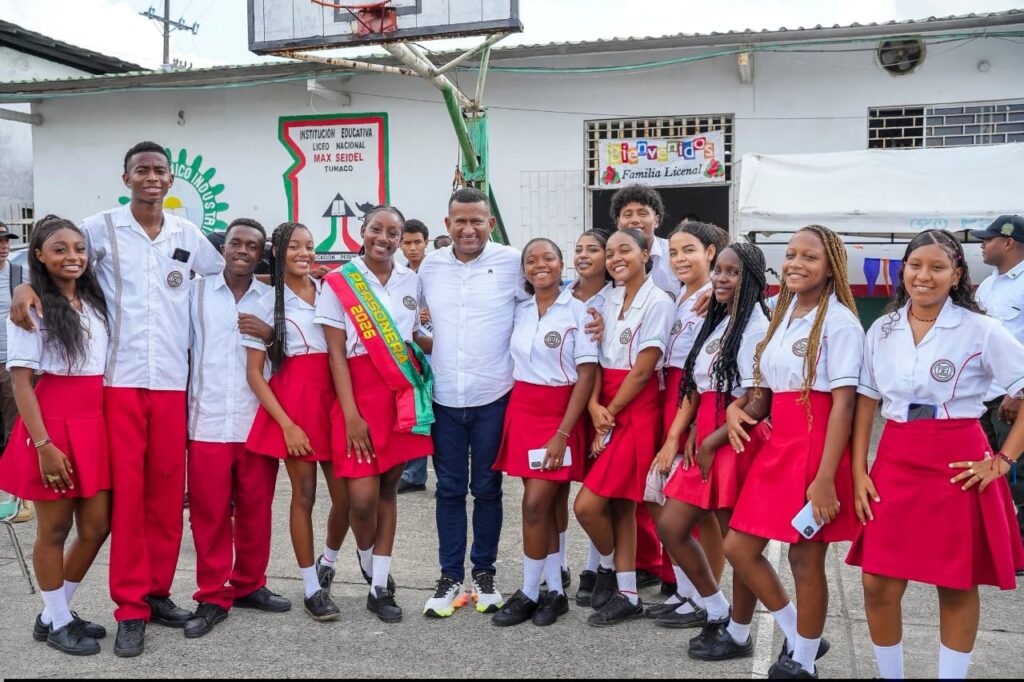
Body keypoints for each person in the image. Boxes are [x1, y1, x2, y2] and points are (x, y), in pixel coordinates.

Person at [11, 142, 225, 657]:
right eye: (142, 171)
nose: (152, 178)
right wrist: (20, 286)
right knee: (127, 500)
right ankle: (129, 608)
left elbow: (224, 273)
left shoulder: (186, 234)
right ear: (126, 176)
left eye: (160, 171)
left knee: (167, 497)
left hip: (173, 381)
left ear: (171, 180)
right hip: (118, 383)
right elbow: (42, 250)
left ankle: (155, 593)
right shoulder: (100, 228)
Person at [847, 229, 1024, 680]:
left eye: (937, 267)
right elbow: (867, 397)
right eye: (915, 265)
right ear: (903, 270)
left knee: (955, 581)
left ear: (956, 274)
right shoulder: (882, 329)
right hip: (895, 458)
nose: (924, 276)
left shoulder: (981, 329)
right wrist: (857, 468)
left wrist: (1003, 460)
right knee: (877, 581)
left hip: (957, 462)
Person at [723, 225, 863, 677]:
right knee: (739, 547)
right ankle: (802, 633)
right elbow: (768, 391)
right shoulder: (783, 314)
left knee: (805, 559)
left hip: (815, 449)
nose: (796, 265)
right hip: (778, 445)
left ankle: (802, 662)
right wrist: (735, 410)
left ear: (830, 269)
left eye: (810, 257)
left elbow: (843, 404)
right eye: (790, 255)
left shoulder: (839, 321)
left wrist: (825, 478)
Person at [654, 242, 771, 660]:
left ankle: (738, 633)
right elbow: (701, 385)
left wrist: (711, 439)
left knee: (734, 544)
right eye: (718, 270)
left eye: (732, 272)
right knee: (671, 525)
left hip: (733, 441)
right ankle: (716, 609)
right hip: (706, 432)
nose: (721, 278)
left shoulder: (756, 326)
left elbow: (760, 399)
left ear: (752, 279)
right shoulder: (720, 318)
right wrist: (689, 434)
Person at [316, 206, 433, 624]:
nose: (384, 238)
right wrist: (350, 413)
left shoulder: (411, 280)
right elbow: (335, 353)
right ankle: (366, 563)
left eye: (393, 232)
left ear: (402, 237)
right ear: (361, 232)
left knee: (387, 491)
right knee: (360, 500)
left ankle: (378, 585)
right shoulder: (339, 281)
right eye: (376, 230)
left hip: (399, 396)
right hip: (358, 396)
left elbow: (415, 336)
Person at [0, 216, 111, 656]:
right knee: (54, 528)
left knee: (97, 526)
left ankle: (53, 613)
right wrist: (44, 445)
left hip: (95, 421)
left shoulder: (95, 300)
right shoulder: (30, 308)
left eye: (79, 248)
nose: (73, 257)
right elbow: (21, 382)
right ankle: (59, 619)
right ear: (40, 256)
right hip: (54, 422)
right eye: (60, 249)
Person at [417, 188, 526, 617]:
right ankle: (449, 577)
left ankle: (484, 573)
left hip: (492, 396)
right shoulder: (430, 266)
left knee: (487, 489)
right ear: (446, 225)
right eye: (459, 221)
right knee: (447, 490)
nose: (468, 229)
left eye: (476, 221)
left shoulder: (511, 262)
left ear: (490, 223)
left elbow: (546, 301)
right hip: (443, 398)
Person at [183, 218, 290, 640]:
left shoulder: (272, 299)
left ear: (261, 252)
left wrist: (269, 336)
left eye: (252, 245)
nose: (242, 250)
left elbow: (292, 355)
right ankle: (212, 592)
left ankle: (249, 583)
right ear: (223, 247)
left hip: (255, 421)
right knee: (208, 513)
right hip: (206, 419)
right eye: (235, 243)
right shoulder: (194, 292)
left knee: (255, 509)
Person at [242, 222, 349, 622]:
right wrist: (287, 424)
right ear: (278, 252)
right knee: (303, 496)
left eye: (309, 246)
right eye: (294, 247)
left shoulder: (332, 292)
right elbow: (256, 374)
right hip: (295, 404)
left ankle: (329, 560)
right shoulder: (266, 301)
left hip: (335, 400)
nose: (304, 253)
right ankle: (310, 587)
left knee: (349, 499)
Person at [490, 238, 598, 627]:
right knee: (546, 505)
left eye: (548, 258)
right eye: (531, 260)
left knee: (535, 504)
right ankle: (554, 590)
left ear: (561, 263)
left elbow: (587, 374)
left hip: (559, 415)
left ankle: (530, 591)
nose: (540, 265)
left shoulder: (580, 311)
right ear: (523, 269)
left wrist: (564, 433)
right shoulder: (517, 310)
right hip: (523, 410)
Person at [575, 228, 674, 626]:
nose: (616, 258)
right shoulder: (610, 297)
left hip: (636, 406)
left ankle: (615, 572)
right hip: (608, 401)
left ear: (647, 253)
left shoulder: (659, 301)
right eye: (610, 252)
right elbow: (596, 357)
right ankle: (627, 591)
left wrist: (607, 413)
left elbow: (643, 370)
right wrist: (595, 404)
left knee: (588, 505)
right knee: (619, 505)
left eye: (625, 250)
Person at [645, 221, 729, 627]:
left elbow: (706, 371)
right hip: (671, 399)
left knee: (700, 510)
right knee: (666, 501)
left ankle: (707, 596)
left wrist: (691, 425)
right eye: (674, 252)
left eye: (689, 250)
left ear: (711, 253)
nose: (680, 259)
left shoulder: (717, 298)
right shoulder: (680, 296)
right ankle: (687, 590)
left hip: (694, 403)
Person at [611, 183, 676, 589]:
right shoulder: (615, 256)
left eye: (642, 212)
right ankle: (646, 564)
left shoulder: (677, 252)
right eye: (626, 214)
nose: (635, 220)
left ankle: (679, 574)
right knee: (634, 485)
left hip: (669, 380)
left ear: (656, 218)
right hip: (629, 383)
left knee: (666, 482)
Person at [970, 215, 1024, 540]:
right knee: (987, 470)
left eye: (987, 239)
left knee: (1017, 474)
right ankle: (998, 538)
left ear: (1007, 242)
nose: (982, 245)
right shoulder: (989, 284)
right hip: (983, 397)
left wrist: (1018, 393)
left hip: (1012, 395)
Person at [569, 229, 614, 606]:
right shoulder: (564, 293)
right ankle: (559, 565)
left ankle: (598, 566)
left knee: (598, 492)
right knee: (557, 487)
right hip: (563, 401)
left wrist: (594, 404)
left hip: (599, 402)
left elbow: (601, 359)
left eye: (593, 250)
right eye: (579, 249)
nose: (584, 256)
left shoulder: (615, 299)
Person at [0, 220, 31, 523]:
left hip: (11, 363)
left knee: (15, 429)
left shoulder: (20, 275)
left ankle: (20, 500)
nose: (3, 246)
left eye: (6, 241)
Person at [398, 218, 432, 494]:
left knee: (440, 418)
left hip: (438, 352)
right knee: (417, 414)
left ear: (426, 243)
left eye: (417, 242)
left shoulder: (436, 272)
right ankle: (414, 473)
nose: (412, 248)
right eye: (406, 243)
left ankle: (445, 476)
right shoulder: (400, 278)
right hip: (412, 355)